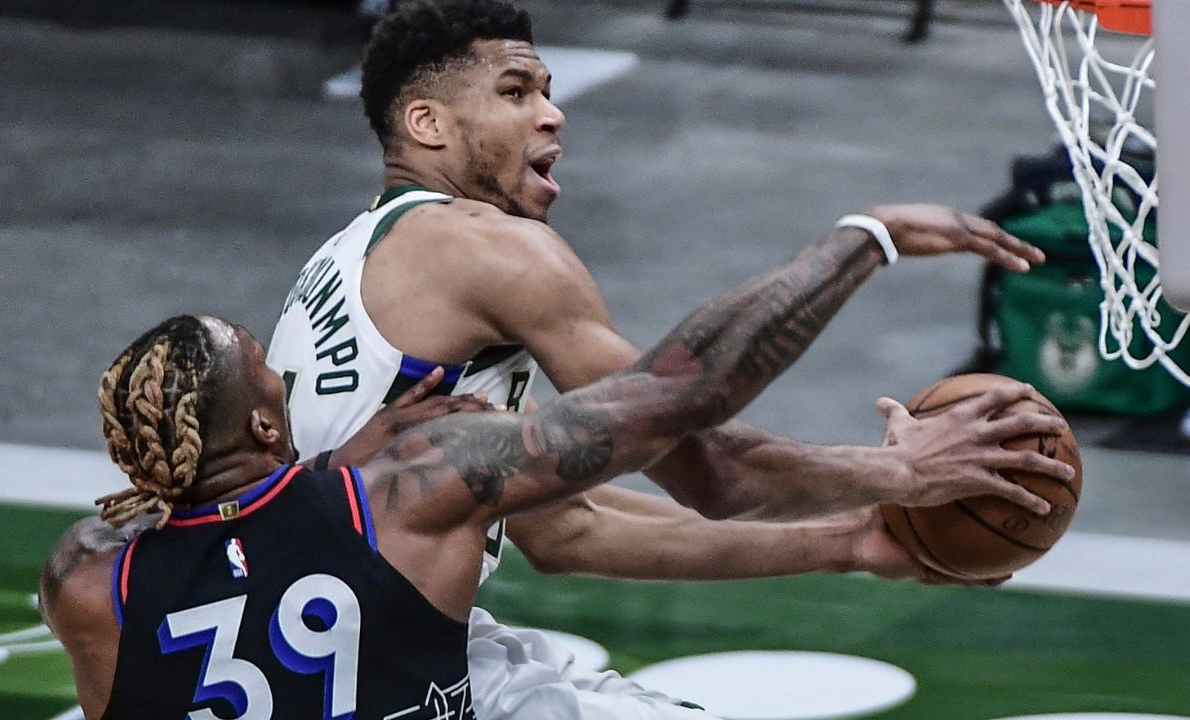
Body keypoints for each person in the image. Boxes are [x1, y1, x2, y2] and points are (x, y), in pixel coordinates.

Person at [263, 1, 1076, 718]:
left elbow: (569, 529)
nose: (552, 114)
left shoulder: (350, 258)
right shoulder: (482, 247)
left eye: (546, 90)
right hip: (375, 670)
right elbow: (707, 457)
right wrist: (871, 253)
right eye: (516, 93)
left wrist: (857, 541)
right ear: (427, 124)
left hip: (315, 651)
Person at [43, 234, 1068, 718]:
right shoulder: (398, 487)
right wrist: (865, 239)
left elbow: (220, 559)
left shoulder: (84, 581)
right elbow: (683, 392)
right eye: (275, 370)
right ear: (269, 421)